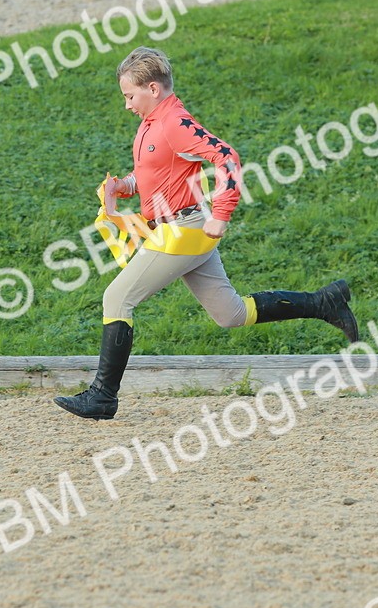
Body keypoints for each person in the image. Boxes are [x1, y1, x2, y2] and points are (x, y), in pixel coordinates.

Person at [53, 47, 360, 421]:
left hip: (184, 230)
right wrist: (126, 186)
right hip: (180, 227)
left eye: (129, 96)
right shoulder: (152, 122)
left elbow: (227, 157)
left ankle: (103, 396)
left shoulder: (174, 123)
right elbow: (159, 173)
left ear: (152, 88)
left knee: (117, 298)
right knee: (230, 314)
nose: (127, 105)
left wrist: (222, 213)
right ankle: (324, 302)